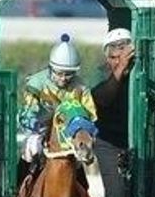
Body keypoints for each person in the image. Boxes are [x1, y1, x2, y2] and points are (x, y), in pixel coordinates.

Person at [91, 28, 134, 197]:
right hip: (108, 144)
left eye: (125, 49)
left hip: (136, 143)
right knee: (116, 194)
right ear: (109, 58)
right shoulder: (102, 77)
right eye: (116, 52)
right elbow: (101, 100)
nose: (122, 57)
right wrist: (119, 73)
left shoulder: (141, 74)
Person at [18, 33, 97, 171]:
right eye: (59, 73)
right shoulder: (35, 84)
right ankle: (22, 183)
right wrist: (36, 126)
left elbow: (90, 115)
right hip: (40, 130)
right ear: (51, 68)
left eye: (69, 74)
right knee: (32, 150)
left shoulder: (81, 87)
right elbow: (28, 112)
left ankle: (84, 188)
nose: (63, 78)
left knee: (81, 159)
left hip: (69, 134)